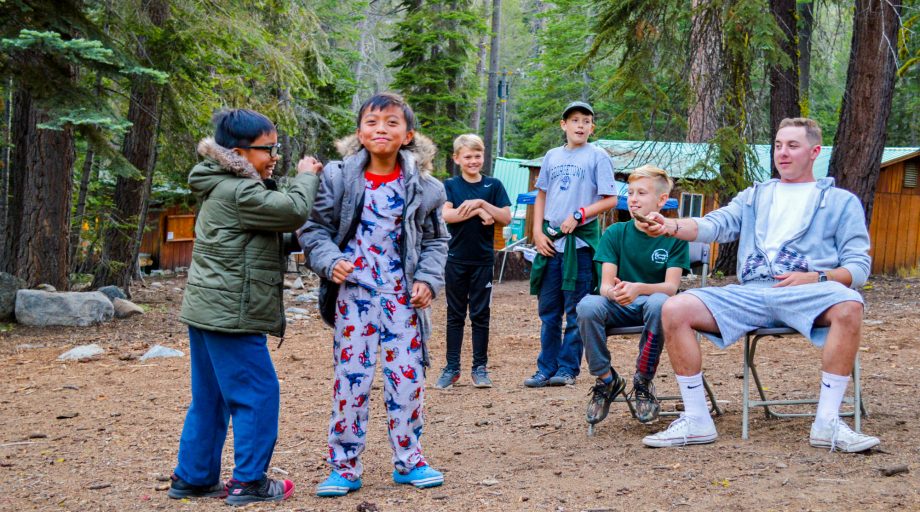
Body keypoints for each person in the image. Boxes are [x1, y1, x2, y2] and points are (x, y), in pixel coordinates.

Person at [638, 117, 880, 453]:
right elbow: (714, 225)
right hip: (750, 292)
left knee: (850, 304)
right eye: (778, 146)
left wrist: (818, 277)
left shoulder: (840, 201)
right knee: (675, 307)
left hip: (808, 292)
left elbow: (859, 267)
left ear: (814, 152)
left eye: (792, 146)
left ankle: (827, 423)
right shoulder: (754, 196)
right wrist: (671, 226)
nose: (782, 153)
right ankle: (696, 420)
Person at [299, 93, 450, 497]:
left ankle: (410, 460)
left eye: (391, 123)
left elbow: (437, 241)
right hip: (353, 296)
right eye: (371, 122)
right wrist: (331, 261)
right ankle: (344, 466)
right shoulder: (338, 177)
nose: (380, 129)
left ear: (408, 135)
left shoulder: (427, 186)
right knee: (352, 381)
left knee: (407, 379)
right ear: (359, 132)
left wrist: (428, 281)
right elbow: (313, 230)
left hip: (405, 301)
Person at [171, 109, 321, 506]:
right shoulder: (239, 190)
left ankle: (193, 477)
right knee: (258, 392)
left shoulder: (222, 184)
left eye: (277, 148)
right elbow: (292, 210)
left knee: (211, 396)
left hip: (207, 308)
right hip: (230, 312)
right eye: (268, 149)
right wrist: (307, 175)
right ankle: (249, 482)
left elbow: (254, 235)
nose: (275, 156)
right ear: (238, 151)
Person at [577, 165, 689, 425]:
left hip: (654, 307)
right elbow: (604, 286)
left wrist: (638, 288)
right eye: (630, 192)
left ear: (661, 200)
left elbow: (671, 288)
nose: (633, 199)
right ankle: (607, 379)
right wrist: (614, 292)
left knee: (661, 303)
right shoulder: (616, 232)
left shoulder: (674, 236)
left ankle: (643, 380)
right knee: (587, 306)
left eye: (641, 193)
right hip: (619, 304)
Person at [525, 101, 618, 388]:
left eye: (586, 121)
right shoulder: (552, 156)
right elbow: (541, 194)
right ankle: (546, 367)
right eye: (574, 120)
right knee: (549, 311)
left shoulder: (598, 157)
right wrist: (538, 233)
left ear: (592, 127)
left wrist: (579, 214)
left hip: (579, 245)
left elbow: (610, 199)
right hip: (551, 241)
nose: (580, 125)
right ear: (563, 125)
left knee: (575, 311)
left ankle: (567, 369)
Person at [435, 134, 511, 390]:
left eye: (477, 156)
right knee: (455, 315)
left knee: (481, 315)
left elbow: (505, 217)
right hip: (455, 260)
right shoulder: (451, 185)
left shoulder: (494, 186)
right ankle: (451, 368)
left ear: (483, 156)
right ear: (457, 159)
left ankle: (480, 368)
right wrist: (478, 212)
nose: (473, 161)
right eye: (467, 156)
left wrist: (481, 203)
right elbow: (447, 215)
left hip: (482, 261)